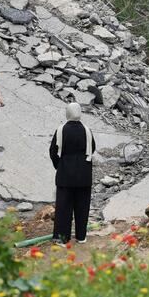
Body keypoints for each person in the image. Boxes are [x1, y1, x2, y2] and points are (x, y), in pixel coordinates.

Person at [49, 103, 96, 245]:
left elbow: (53, 151)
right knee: (82, 206)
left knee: (64, 208)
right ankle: (81, 237)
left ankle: (63, 239)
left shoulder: (61, 130)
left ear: (67, 113)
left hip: (65, 175)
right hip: (84, 174)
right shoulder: (87, 130)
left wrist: (59, 165)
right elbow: (92, 148)